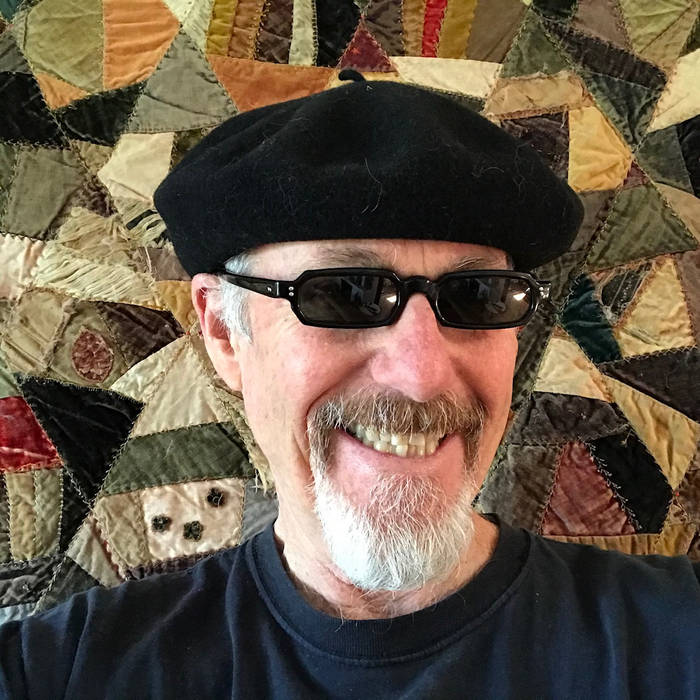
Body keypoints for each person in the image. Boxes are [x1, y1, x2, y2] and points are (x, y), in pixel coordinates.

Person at [1, 71, 698, 700]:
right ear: (222, 332)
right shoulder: (61, 671)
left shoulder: (676, 635)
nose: (422, 377)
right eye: (343, 294)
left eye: (478, 296)